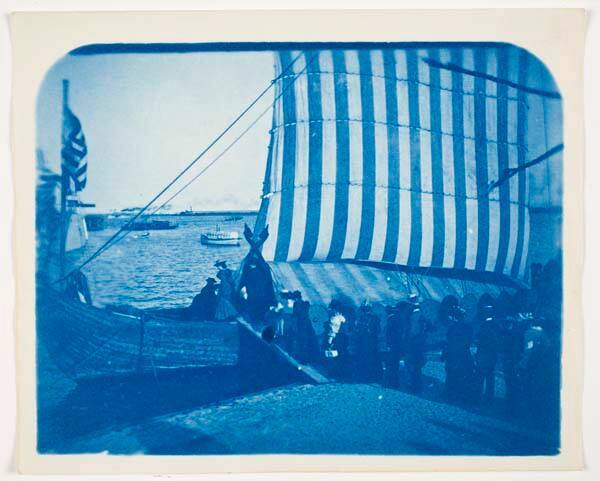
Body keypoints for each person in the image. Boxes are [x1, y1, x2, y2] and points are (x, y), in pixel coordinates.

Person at [443, 304, 474, 403]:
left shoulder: (452, 327)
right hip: (463, 353)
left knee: (451, 373)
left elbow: (448, 341)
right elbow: (469, 341)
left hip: (453, 353)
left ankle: (450, 393)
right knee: (462, 373)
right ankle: (460, 394)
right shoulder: (468, 327)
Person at [474, 304, 501, 402]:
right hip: (492, 354)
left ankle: (478, 397)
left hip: (484, 352)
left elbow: (481, 339)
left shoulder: (485, 324)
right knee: (490, 376)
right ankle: (489, 397)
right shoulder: (496, 324)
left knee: (480, 375)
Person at [386, 301, 412, 387]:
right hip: (400, 343)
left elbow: (388, 332)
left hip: (396, 343)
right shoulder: (404, 318)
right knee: (397, 363)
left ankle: (393, 381)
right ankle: (394, 381)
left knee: (393, 363)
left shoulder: (393, 318)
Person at [405, 303, 427, 392]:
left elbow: (413, 329)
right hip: (417, 341)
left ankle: (414, 384)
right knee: (416, 364)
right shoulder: (420, 315)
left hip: (414, 341)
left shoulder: (414, 316)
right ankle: (416, 383)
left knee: (412, 363)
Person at [293, 299, 319, 364]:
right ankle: (302, 358)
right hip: (303, 334)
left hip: (304, 335)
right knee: (302, 345)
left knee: (303, 345)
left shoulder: (304, 318)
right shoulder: (304, 317)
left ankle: (303, 359)